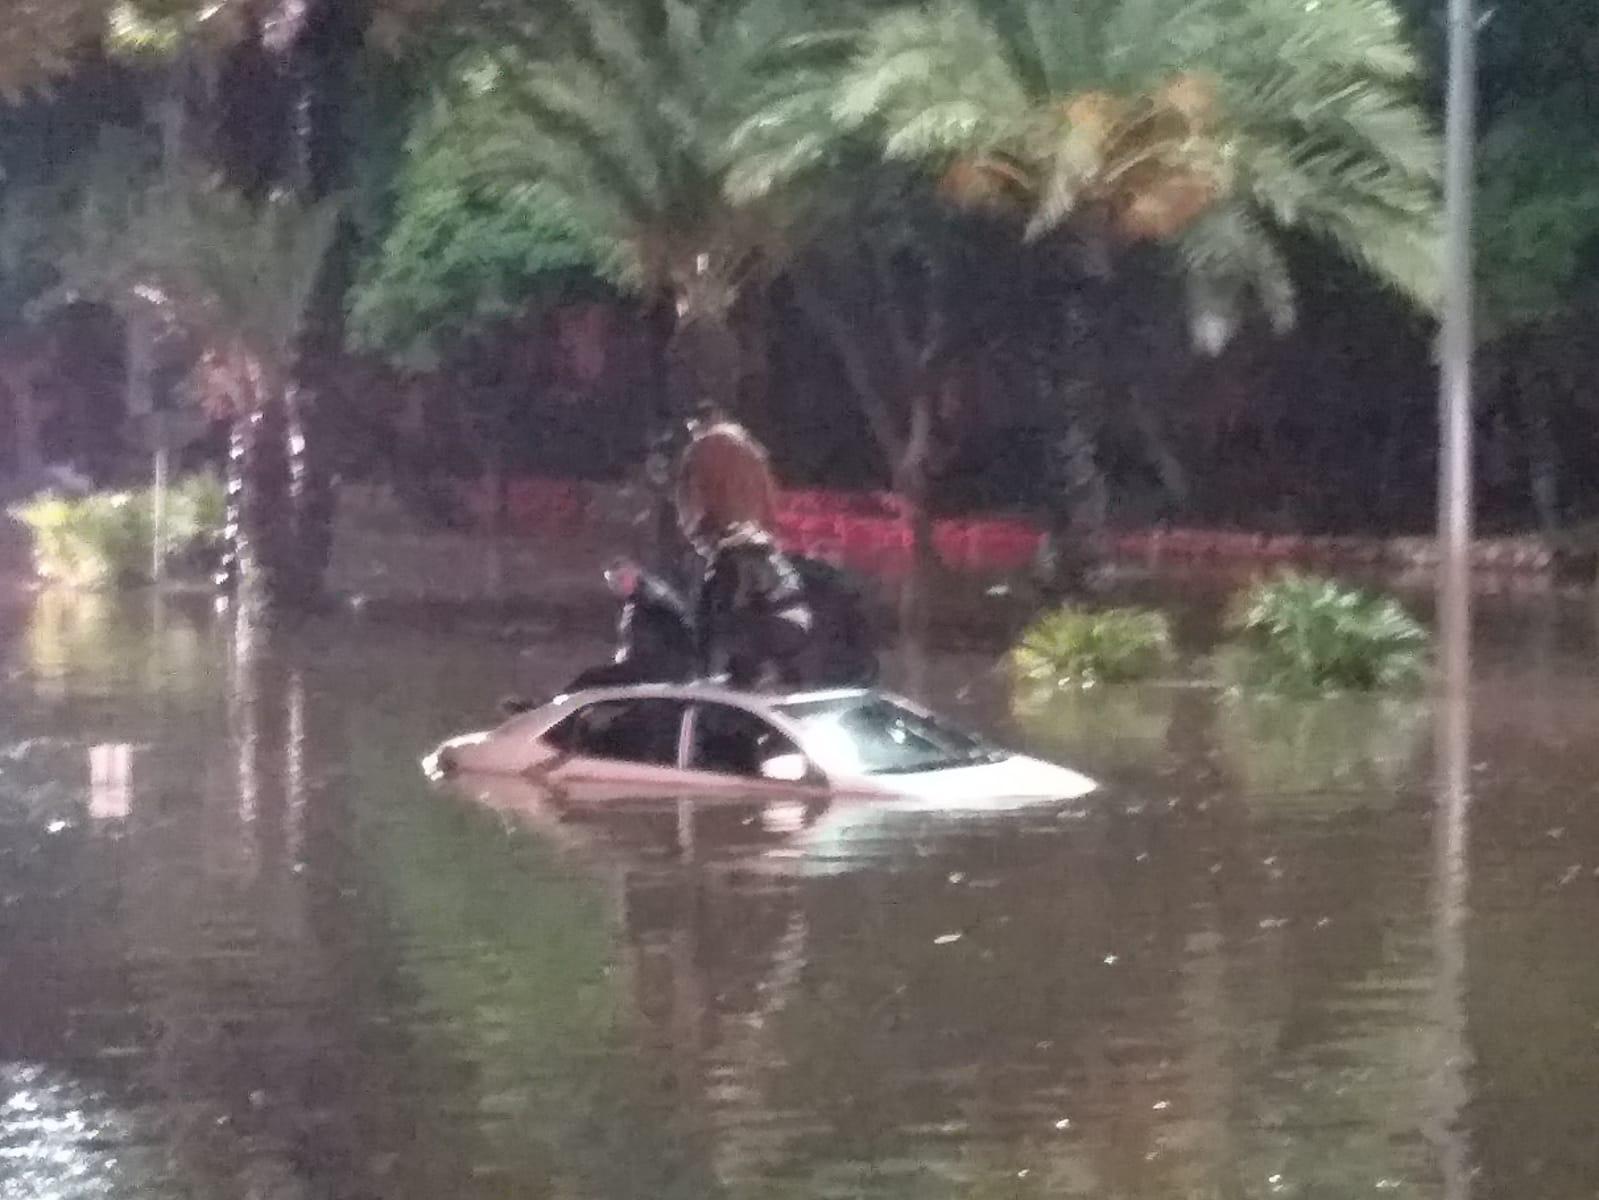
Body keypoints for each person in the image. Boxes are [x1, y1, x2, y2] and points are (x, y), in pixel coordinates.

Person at [498, 556, 695, 715]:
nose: (615, 588)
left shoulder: (647, 601)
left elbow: (648, 642)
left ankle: (546, 711)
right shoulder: (651, 594)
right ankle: (551, 709)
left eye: (618, 581)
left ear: (631, 575)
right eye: (611, 583)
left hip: (654, 671)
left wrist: (626, 659)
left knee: (589, 678)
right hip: (661, 667)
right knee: (593, 684)